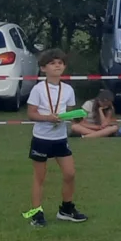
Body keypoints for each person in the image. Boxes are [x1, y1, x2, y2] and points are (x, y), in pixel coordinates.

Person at [24, 49, 88, 227]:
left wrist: (78, 116)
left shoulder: (67, 89)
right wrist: (48, 118)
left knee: (70, 174)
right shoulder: (38, 89)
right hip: (41, 138)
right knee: (40, 177)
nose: (57, 65)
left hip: (60, 138)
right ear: (43, 68)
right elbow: (31, 114)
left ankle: (66, 210)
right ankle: (36, 214)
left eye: (60, 62)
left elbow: (70, 113)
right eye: (53, 63)